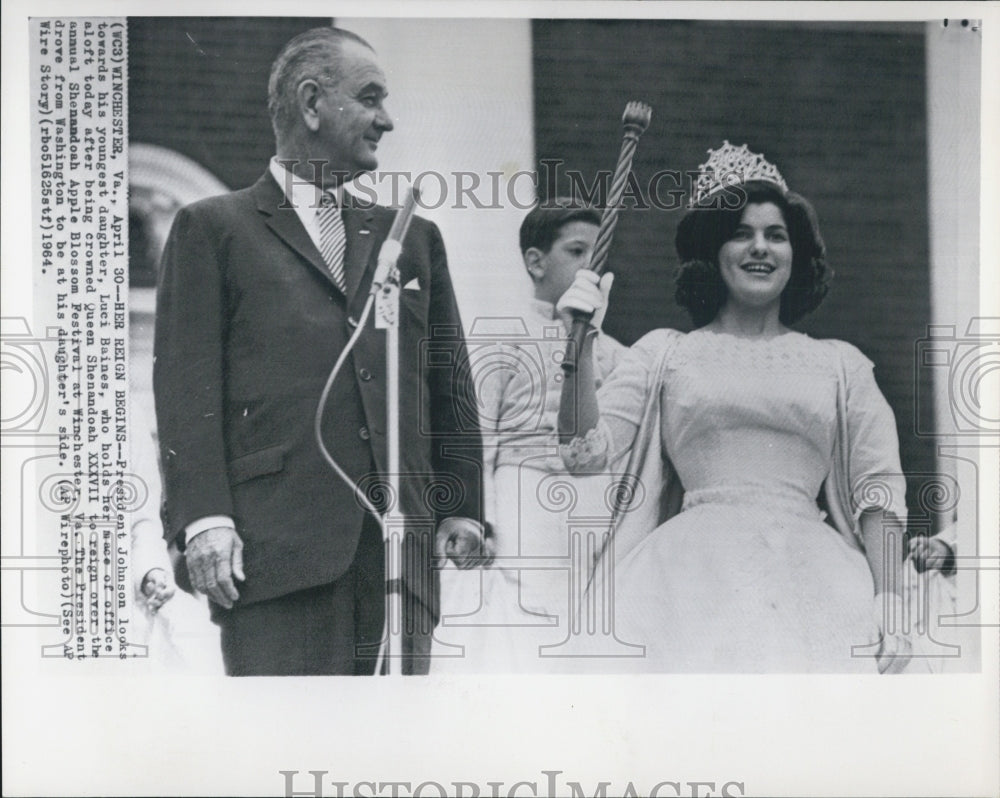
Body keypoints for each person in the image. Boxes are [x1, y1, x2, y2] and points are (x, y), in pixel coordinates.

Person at [153, 26, 487, 676]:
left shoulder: (413, 239)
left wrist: (463, 506)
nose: (386, 120)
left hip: (400, 557)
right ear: (312, 103)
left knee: (392, 760)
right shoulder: (213, 230)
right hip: (276, 555)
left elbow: (448, 381)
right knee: (291, 754)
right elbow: (186, 391)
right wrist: (204, 519)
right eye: (370, 98)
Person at [556, 141, 912, 673]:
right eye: (740, 233)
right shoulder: (664, 353)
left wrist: (890, 599)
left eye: (776, 235)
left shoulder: (842, 366)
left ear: (798, 254)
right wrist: (579, 343)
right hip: (686, 585)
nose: (759, 248)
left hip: (816, 581)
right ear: (712, 251)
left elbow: (878, 490)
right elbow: (583, 453)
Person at [435, 200, 626, 671]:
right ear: (536, 261)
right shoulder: (503, 338)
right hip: (521, 499)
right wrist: (482, 517)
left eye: (598, 257)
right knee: (522, 621)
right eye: (578, 252)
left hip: (590, 504)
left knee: (584, 613)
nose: (591, 268)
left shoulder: (615, 354)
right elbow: (478, 437)